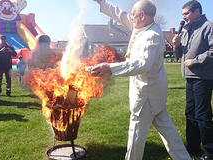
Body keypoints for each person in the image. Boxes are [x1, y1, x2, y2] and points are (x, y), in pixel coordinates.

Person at [91, 0, 191, 160]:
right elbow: (121, 15)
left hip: (146, 96)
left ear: (142, 16)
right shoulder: (142, 27)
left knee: (135, 138)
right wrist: (102, 2)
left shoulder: (152, 36)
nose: (130, 17)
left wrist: (110, 68)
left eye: (133, 14)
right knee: (169, 133)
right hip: (154, 93)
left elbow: (142, 64)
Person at [172, 1, 213, 160]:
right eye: (183, 15)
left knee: (202, 114)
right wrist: (176, 45)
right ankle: (193, 146)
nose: (184, 18)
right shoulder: (187, 30)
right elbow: (178, 56)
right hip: (189, 77)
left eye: (186, 14)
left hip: (203, 77)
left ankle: (209, 152)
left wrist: (195, 61)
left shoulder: (208, 27)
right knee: (190, 113)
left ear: (197, 12)